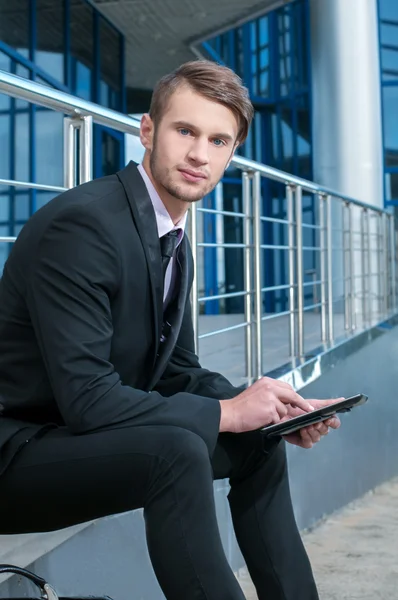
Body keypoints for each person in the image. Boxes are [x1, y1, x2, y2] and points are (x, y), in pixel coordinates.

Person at [0, 60, 341, 600]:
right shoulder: (84, 226)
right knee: (176, 450)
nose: (199, 155)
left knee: (258, 442)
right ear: (147, 130)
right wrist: (226, 412)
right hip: (18, 453)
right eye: (185, 131)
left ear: (232, 153)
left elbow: (177, 371)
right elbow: (89, 399)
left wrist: (265, 407)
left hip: (76, 437)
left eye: (218, 140)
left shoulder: (171, 229)